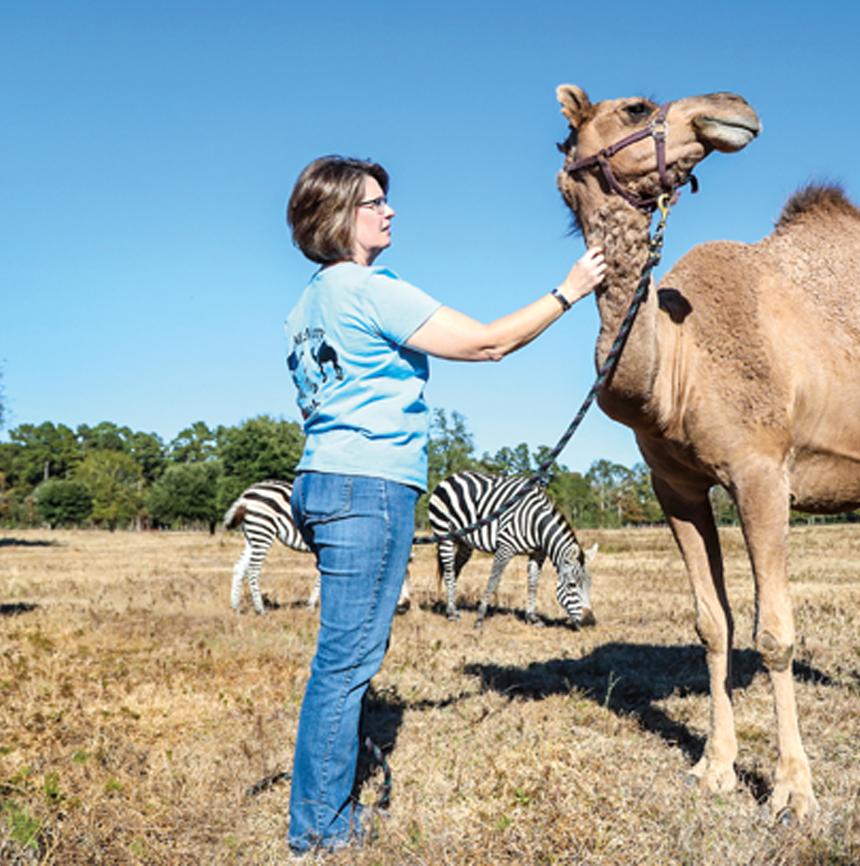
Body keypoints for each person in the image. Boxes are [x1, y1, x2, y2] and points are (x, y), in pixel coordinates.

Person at [281, 155, 605, 854]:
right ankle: (319, 830)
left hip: (320, 481)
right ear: (338, 217)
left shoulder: (305, 306)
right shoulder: (370, 290)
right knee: (346, 666)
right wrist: (571, 290)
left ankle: (319, 810)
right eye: (374, 202)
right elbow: (487, 344)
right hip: (368, 487)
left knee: (339, 659)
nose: (389, 210)